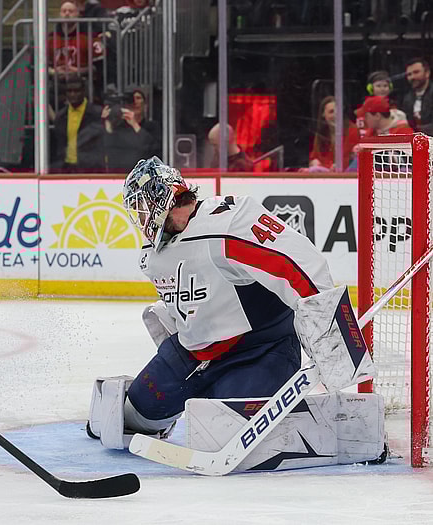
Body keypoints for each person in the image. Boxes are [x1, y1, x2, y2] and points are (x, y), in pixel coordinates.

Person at [86, 157, 385, 470]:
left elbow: (299, 265)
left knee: (224, 433)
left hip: (259, 350)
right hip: (193, 354)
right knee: (133, 418)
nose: (142, 218)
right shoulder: (154, 251)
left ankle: (345, 432)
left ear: (164, 197)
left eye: (144, 207)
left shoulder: (228, 222)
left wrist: (333, 345)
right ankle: (177, 408)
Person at [50, 74, 104, 173]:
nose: (73, 94)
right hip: (65, 168)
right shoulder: (61, 116)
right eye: (69, 91)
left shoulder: (96, 114)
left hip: (90, 168)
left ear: (84, 92)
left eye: (76, 91)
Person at [102, 88, 159, 173]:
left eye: (138, 98)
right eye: (131, 99)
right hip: (117, 173)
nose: (134, 102)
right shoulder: (117, 127)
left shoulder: (152, 126)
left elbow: (152, 149)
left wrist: (134, 124)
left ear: (145, 103)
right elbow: (106, 147)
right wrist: (106, 122)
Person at [308, 95, 359, 171]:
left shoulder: (352, 130)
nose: (336, 115)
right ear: (323, 115)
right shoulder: (321, 133)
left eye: (338, 111)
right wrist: (313, 162)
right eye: (331, 112)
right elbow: (313, 157)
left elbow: (346, 159)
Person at [400, 58, 433, 135]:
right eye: (409, 74)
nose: (412, 77)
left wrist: (418, 130)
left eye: (416, 72)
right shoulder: (407, 98)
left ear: (427, 73)